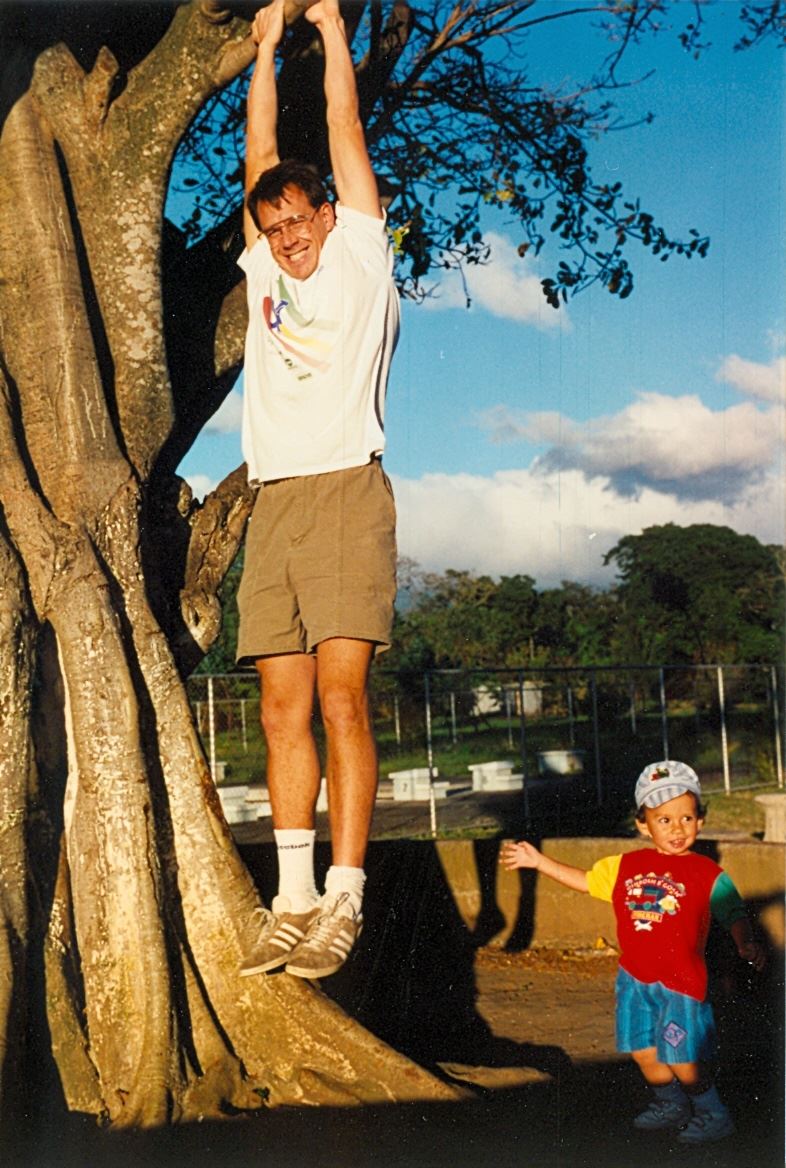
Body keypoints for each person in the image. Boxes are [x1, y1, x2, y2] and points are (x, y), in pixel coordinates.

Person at [235, 0, 399, 981]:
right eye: (277, 222)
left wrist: (331, 27)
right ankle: (291, 900)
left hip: (346, 492)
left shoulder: (362, 258)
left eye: (301, 218)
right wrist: (264, 45)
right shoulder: (265, 265)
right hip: (277, 502)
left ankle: (345, 897)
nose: (290, 234)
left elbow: (339, 129)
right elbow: (260, 147)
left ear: (330, 214)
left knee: (342, 701)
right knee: (278, 709)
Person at [500, 760, 766, 1144]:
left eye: (687, 818)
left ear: (700, 821)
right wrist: (539, 861)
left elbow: (733, 913)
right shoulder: (625, 866)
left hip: (682, 984)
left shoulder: (708, 873)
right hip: (635, 979)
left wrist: (745, 942)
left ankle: (712, 1112)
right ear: (644, 824)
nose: (677, 829)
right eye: (665, 820)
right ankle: (671, 1103)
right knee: (643, 1051)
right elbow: (586, 881)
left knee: (682, 1058)